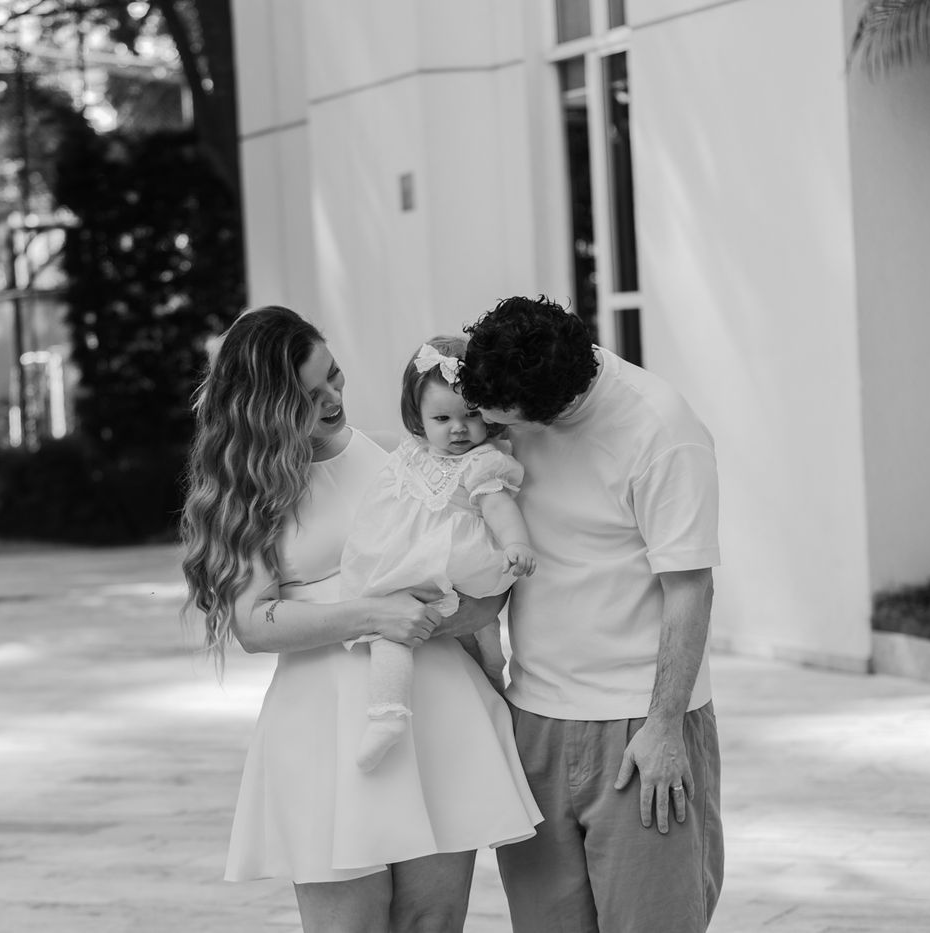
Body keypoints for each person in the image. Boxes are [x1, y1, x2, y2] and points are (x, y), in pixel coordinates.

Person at [180, 306, 543, 933]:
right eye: (307, 395)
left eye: (334, 375)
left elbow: (474, 565)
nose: (332, 399)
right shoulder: (248, 488)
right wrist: (373, 614)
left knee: (433, 920)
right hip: (324, 726)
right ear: (264, 406)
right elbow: (254, 625)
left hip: (435, 707)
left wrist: (466, 612)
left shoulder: (395, 453)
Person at [458, 295, 724, 933]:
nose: (481, 424)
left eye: (499, 417)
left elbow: (690, 587)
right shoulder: (501, 387)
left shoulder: (662, 431)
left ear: (553, 410)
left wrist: (664, 728)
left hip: (637, 727)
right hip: (533, 720)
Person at [340, 336, 537, 772]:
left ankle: (493, 696)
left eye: (471, 415)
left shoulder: (484, 461)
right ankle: (388, 714)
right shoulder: (412, 452)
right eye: (442, 418)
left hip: (460, 563)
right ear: (419, 417)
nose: (458, 429)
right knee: (392, 630)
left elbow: (498, 507)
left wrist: (516, 543)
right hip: (416, 566)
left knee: (481, 640)